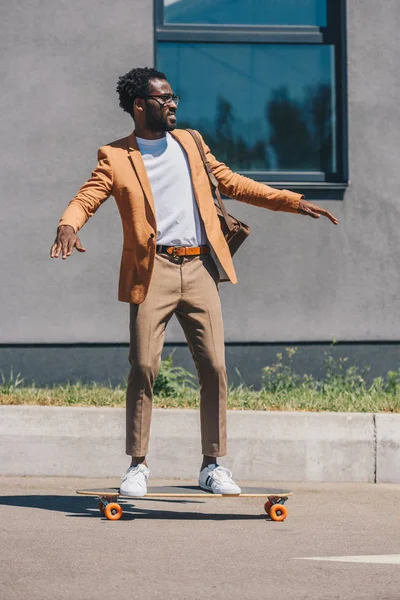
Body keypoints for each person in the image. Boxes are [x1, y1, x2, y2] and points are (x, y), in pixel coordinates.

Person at [50, 67, 338, 497]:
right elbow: (88, 195)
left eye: (174, 97)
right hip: (154, 272)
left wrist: (291, 202)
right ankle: (137, 465)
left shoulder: (191, 142)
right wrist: (69, 224)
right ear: (139, 106)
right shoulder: (115, 156)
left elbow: (232, 182)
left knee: (215, 367)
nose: (173, 105)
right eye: (163, 98)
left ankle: (212, 464)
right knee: (144, 366)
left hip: (200, 268)